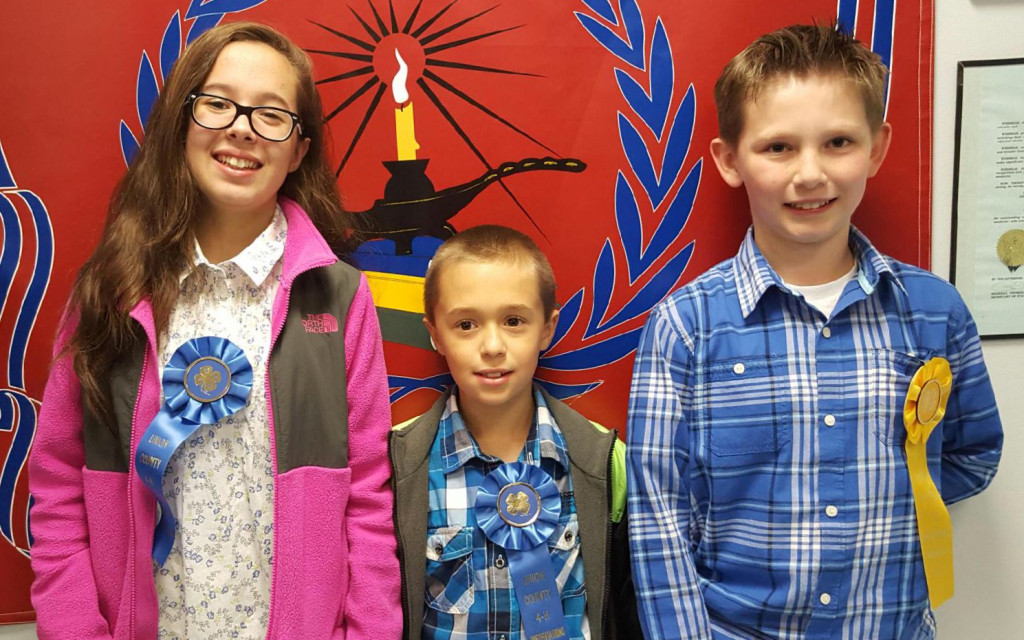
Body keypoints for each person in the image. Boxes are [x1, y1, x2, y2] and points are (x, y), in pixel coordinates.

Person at [626, 23, 1003, 640]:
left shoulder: (934, 313)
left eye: (837, 142)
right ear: (730, 160)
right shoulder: (686, 327)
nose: (810, 173)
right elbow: (658, 519)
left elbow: (973, 452)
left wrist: (889, 515)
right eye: (778, 148)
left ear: (877, 149)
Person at [28, 22, 401, 640]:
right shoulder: (110, 290)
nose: (242, 128)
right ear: (183, 120)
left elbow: (366, 497)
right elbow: (60, 482)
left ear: (299, 149)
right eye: (219, 102)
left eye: (271, 114)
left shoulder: (338, 297)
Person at [390, 225, 642, 640]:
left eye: (513, 320)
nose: (492, 345)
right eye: (466, 324)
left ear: (547, 327)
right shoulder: (398, 466)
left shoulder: (601, 462)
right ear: (434, 333)